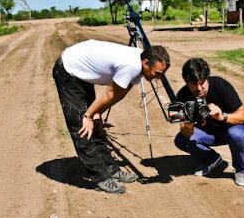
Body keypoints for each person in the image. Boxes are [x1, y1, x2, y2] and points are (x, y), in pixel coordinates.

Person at [52, 39, 170, 194]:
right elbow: (110, 93)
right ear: (146, 62)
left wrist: (97, 113)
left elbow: (118, 95)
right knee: (82, 125)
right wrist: (88, 115)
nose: (158, 78)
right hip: (69, 70)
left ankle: (111, 169)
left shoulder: (139, 63)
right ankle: (99, 177)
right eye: (158, 73)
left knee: (96, 126)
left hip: (82, 72)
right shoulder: (132, 66)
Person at [173, 58, 244, 186]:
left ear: (207, 78)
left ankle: (241, 169)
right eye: (193, 84)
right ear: (186, 82)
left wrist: (222, 116)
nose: (199, 88)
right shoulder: (182, 96)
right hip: (208, 133)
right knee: (181, 140)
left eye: (202, 83)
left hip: (230, 129)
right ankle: (213, 159)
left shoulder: (220, 85)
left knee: (236, 134)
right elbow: (185, 133)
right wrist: (189, 123)